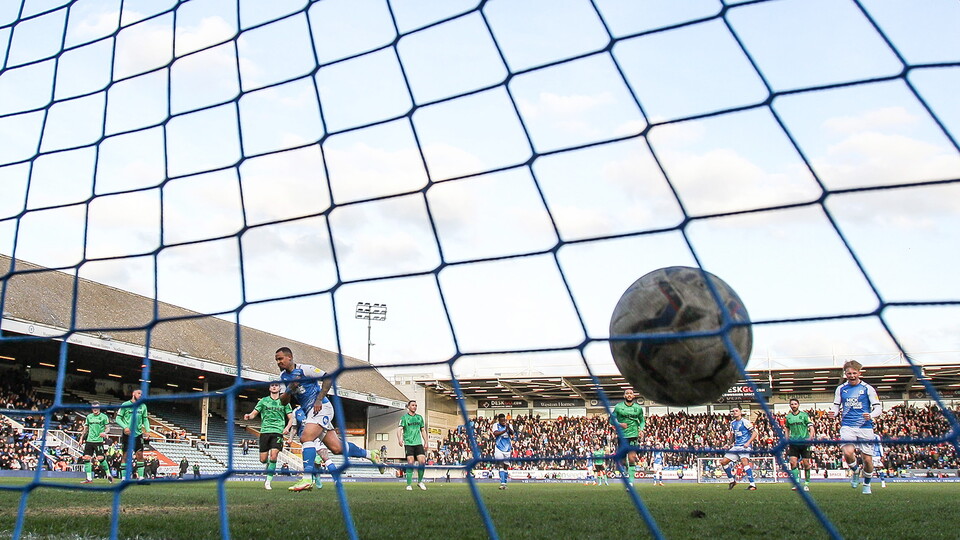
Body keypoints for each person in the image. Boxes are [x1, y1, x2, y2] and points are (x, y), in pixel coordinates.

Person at [275, 347, 383, 492]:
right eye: (276, 359)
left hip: (322, 407)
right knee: (336, 448)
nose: (278, 362)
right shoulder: (283, 378)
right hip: (310, 412)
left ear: (290, 357)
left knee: (306, 437)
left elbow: (328, 378)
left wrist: (319, 399)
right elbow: (283, 402)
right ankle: (371, 454)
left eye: (280, 358)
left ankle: (307, 478)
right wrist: (290, 388)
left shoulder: (305, 369)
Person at [829, 360, 882, 495]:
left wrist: (871, 415)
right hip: (848, 425)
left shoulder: (867, 388)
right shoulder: (841, 389)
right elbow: (836, 406)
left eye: (854, 373)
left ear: (859, 373)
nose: (851, 375)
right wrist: (833, 413)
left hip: (865, 427)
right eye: (849, 373)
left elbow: (878, 407)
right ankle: (856, 471)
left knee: (867, 459)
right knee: (847, 452)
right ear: (845, 374)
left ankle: (867, 484)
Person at [243, 382, 294, 490]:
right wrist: (249, 416)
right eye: (272, 385)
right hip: (265, 431)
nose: (274, 387)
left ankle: (268, 482)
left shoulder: (284, 402)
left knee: (274, 455)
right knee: (263, 459)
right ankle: (269, 465)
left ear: (280, 388)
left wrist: (287, 428)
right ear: (269, 388)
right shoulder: (263, 401)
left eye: (276, 385)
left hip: (278, 431)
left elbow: (291, 418)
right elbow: (254, 413)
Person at [717, 407, 758, 490]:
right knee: (723, 462)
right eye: (733, 411)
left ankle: (752, 484)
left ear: (740, 412)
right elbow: (734, 435)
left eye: (736, 411)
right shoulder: (732, 423)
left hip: (744, 446)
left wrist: (748, 442)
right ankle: (732, 481)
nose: (734, 412)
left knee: (744, 461)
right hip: (736, 446)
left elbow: (755, 432)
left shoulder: (745, 422)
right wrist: (729, 444)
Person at [610, 389, 645, 485]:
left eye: (631, 393)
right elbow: (611, 420)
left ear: (633, 396)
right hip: (622, 435)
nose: (629, 395)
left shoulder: (638, 408)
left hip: (633, 435)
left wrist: (641, 430)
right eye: (627, 393)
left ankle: (630, 482)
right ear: (624, 396)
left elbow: (642, 421)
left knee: (632, 457)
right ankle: (627, 469)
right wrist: (620, 424)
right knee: (623, 460)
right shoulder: (618, 407)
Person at [114, 388, 150, 481]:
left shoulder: (143, 406)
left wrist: (148, 430)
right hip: (127, 434)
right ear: (133, 394)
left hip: (138, 434)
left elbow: (145, 419)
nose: (140, 395)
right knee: (125, 455)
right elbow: (118, 419)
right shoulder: (125, 405)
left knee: (140, 455)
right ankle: (124, 478)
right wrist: (125, 427)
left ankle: (141, 477)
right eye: (139, 393)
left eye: (142, 394)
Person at [79, 401, 114, 484]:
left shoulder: (104, 417)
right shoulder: (89, 417)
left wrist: (105, 433)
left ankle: (108, 474)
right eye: (93, 407)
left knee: (100, 458)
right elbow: (86, 429)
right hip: (89, 440)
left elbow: (108, 428)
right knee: (86, 458)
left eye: (96, 407)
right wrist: (81, 438)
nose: (95, 409)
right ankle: (89, 479)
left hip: (98, 441)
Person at [784, 398, 815, 491]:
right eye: (792, 404)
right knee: (792, 462)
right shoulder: (788, 417)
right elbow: (786, 428)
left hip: (804, 442)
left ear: (798, 405)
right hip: (793, 442)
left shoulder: (804, 415)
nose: (793, 405)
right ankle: (797, 483)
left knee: (806, 464)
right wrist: (787, 438)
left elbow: (811, 427)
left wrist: (810, 437)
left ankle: (806, 483)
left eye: (795, 404)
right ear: (790, 406)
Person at [397, 399, 428, 491]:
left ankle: (420, 482)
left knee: (422, 462)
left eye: (416, 405)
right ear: (409, 407)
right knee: (410, 462)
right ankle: (409, 484)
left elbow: (423, 430)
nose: (414, 407)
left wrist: (426, 441)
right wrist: (400, 439)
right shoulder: (404, 418)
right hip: (409, 443)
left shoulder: (419, 418)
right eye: (413, 405)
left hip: (418, 443)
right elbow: (399, 429)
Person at [492, 413, 513, 490]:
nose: (503, 422)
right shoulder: (495, 425)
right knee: (501, 464)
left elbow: (512, 433)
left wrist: (508, 428)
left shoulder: (509, 425)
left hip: (507, 449)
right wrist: (504, 430)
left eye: (504, 420)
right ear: (499, 420)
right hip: (498, 448)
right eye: (502, 420)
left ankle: (505, 483)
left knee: (506, 466)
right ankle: (502, 483)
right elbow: (495, 434)